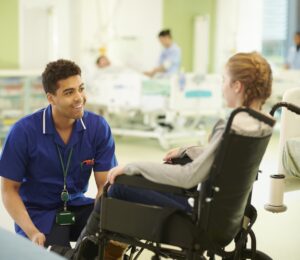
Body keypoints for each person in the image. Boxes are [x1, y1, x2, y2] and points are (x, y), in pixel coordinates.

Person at [53, 52, 273, 259]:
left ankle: (80, 255)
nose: (221, 86)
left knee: (117, 186)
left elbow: (188, 176)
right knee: (127, 187)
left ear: (237, 85)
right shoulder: (259, 123)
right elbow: (220, 157)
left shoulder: (230, 124)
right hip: (226, 219)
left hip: (199, 217)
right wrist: (186, 150)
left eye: (224, 80)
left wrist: (133, 167)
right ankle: (105, 252)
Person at [0, 59, 117, 248]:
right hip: (39, 213)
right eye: (69, 92)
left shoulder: (98, 127)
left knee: (112, 232)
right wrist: (32, 233)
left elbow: (105, 186)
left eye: (81, 88)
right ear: (51, 98)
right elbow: (8, 191)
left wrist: (103, 224)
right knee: (58, 251)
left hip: (77, 206)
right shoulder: (23, 132)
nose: (79, 97)